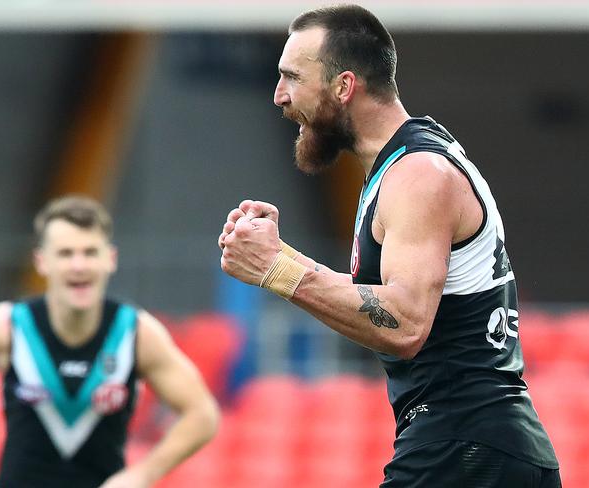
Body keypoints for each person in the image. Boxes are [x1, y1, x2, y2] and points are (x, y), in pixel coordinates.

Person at [219, 4, 560, 488]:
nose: (278, 96)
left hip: (465, 447)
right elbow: (385, 300)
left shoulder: (417, 174)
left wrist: (277, 270)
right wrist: (279, 257)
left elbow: (403, 323)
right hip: (477, 447)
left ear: (343, 87)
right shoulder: (402, 166)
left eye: (292, 77)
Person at [0, 195, 219, 488]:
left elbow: (203, 416)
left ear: (110, 259)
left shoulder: (136, 333)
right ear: (42, 261)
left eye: (90, 252)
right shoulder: (8, 327)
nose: (79, 265)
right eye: (65, 253)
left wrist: (142, 475)